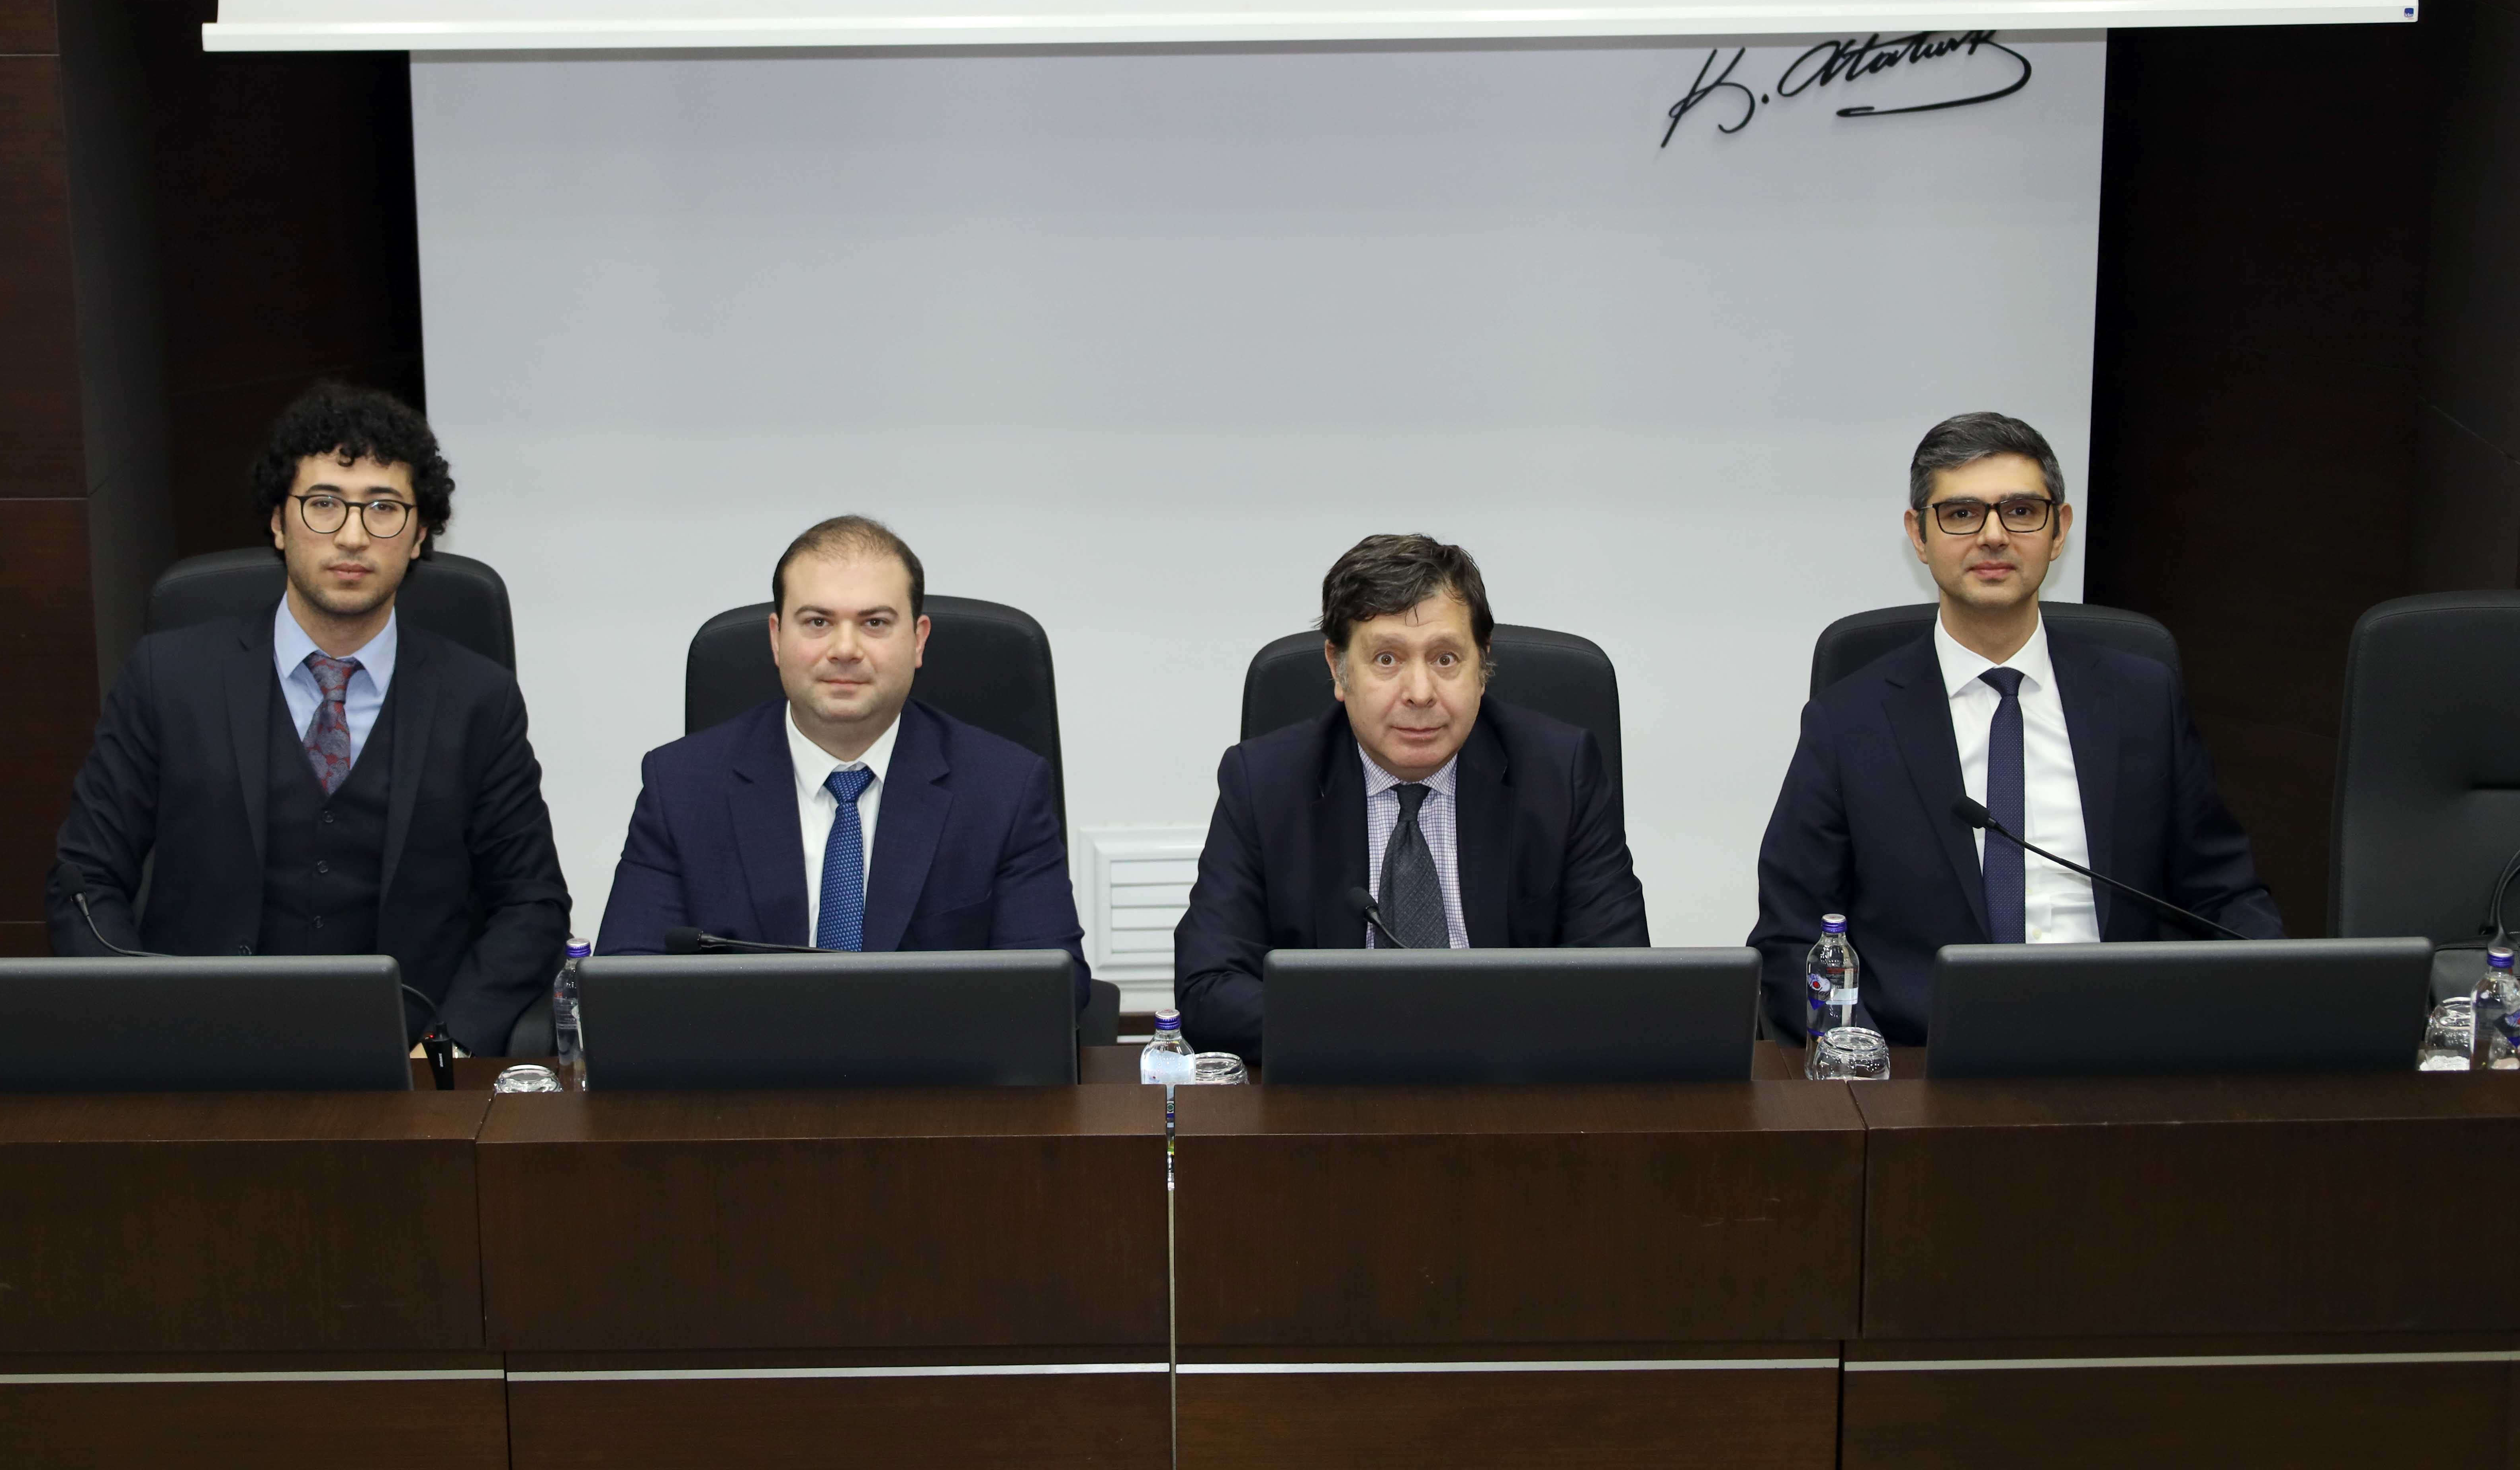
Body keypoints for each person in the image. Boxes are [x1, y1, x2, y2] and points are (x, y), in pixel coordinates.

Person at [45, 383, 572, 1055]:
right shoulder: (167, 679)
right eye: (323, 504)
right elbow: (84, 881)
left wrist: (449, 1045)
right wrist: (146, 1023)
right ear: (278, 522)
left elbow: (532, 904)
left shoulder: (479, 700)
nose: (352, 536)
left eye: (384, 508)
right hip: (198, 1053)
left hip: (408, 1061)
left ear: (420, 536)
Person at [1751, 411, 2283, 1045]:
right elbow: (1792, 936)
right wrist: (1865, 1062)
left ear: (2059, 530)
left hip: (2123, 1049)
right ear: (1919, 535)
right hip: (1921, 1060)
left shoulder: (2142, 699)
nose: (1994, 536)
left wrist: (2276, 1004)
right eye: (1961, 514)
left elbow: (2223, 898)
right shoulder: (1849, 721)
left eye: (2022, 512)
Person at [1173, 534, 1649, 1060]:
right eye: (1387, 659)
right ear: (1338, 669)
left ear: (1482, 666)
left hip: (1511, 1083)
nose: (1420, 692)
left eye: (1446, 659)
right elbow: (1208, 990)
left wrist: (1464, 1037)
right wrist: (1387, 1033)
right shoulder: (1264, 783)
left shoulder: (1560, 773)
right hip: (1335, 1086)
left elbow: (1617, 976)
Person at [597, 516, 1089, 1007]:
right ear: (776, 637)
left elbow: (1053, 992)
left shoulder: (1004, 789)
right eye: (818, 622)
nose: (846, 649)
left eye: (875, 623)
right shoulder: (681, 787)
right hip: (745, 1056)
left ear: (918, 640)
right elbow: (626, 991)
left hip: (932, 1058)